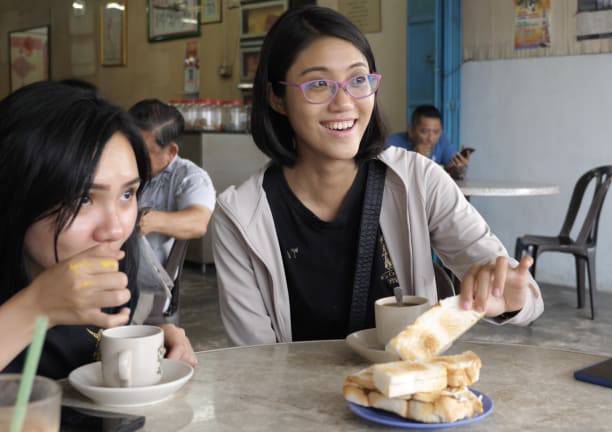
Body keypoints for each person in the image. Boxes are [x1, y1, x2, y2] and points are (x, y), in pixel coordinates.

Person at [212, 6, 544, 346]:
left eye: (358, 80)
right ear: (277, 98)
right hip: (292, 384)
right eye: (319, 84)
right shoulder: (240, 217)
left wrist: (510, 296)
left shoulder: (418, 181)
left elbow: (526, 295)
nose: (344, 103)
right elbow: (256, 358)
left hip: (407, 380)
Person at [0, 82, 197, 379]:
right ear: (14, 193)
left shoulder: (116, 264)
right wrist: (35, 308)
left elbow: (88, 360)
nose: (115, 229)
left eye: (127, 194)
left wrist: (145, 340)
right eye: (82, 199)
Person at [128, 99, 215, 269]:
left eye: (141, 152)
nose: (132, 157)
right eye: (128, 147)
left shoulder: (190, 177)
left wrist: (150, 220)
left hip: (147, 280)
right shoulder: (121, 167)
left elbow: (198, 222)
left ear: (171, 151)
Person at [385, 105, 470, 179]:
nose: (431, 138)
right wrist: (414, 159)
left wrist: (459, 170)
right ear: (411, 131)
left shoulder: (442, 141)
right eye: (424, 131)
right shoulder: (392, 144)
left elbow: (452, 171)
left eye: (436, 132)